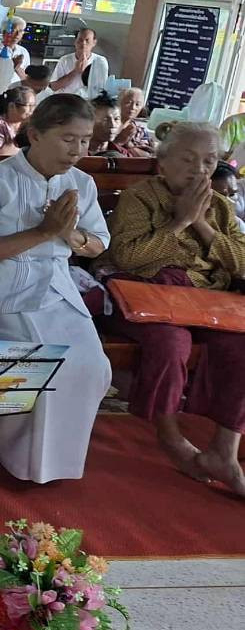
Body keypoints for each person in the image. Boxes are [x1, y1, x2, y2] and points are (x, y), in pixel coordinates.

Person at [0, 94, 110, 484]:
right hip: (0, 287)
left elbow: (98, 243)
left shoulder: (81, 183)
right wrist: (41, 233)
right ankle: (13, 454)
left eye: (85, 140)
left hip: (57, 285)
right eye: (67, 138)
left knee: (93, 365)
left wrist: (68, 233)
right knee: (48, 362)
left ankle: (54, 466)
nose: (77, 150)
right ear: (36, 134)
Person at [98, 122, 245, 496]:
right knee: (170, 346)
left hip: (208, 302)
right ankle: (171, 437)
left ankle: (223, 452)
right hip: (149, 298)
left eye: (209, 161)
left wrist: (203, 226)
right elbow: (129, 257)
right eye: (188, 159)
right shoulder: (141, 197)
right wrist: (179, 222)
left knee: (241, 347)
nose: (200, 170)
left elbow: (242, 262)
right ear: (162, 162)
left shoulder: (222, 208)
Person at [48, 27, 109, 97]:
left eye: (87, 40)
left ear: (94, 43)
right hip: (65, 100)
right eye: (80, 40)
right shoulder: (64, 60)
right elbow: (54, 87)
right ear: (75, 42)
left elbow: (102, 88)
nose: (83, 43)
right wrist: (75, 71)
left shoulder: (100, 61)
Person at [0, 85, 36, 155]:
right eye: (29, 105)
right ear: (12, 106)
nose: (32, 110)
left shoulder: (31, 124)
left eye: (34, 105)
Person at [115, 86, 155, 155]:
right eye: (128, 103)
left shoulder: (140, 131)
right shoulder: (109, 126)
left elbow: (148, 155)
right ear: (118, 103)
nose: (133, 107)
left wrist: (130, 145)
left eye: (137, 104)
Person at [0, 17, 30, 83]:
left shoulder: (23, 51)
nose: (17, 35)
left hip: (16, 90)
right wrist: (11, 65)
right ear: (4, 32)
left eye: (21, 31)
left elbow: (26, 79)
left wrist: (17, 68)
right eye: (14, 31)